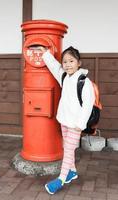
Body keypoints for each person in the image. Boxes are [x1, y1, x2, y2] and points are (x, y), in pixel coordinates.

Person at [38, 46, 95, 194]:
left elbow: (88, 104)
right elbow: (54, 67)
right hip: (64, 120)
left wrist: (80, 124)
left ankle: (61, 179)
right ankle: (72, 171)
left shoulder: (84, 82)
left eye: (71, 61)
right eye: (65, 62)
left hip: (76, 124)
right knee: (67, 147)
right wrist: (45, 53)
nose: (68, 64)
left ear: (79, 63)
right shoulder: (64, 77)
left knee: (68, 150)